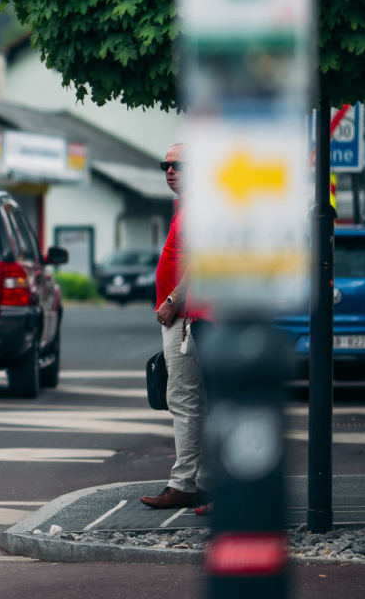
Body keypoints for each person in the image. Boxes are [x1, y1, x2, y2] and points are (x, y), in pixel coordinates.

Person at [140, 143, 211, 512]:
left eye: (179, 165)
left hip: (187, 316)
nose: (170, 170)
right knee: (196, 400)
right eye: (165, 165)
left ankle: (186, 484)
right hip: (186, 315)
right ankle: (200, 483)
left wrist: (172, 301)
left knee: (184, 400)